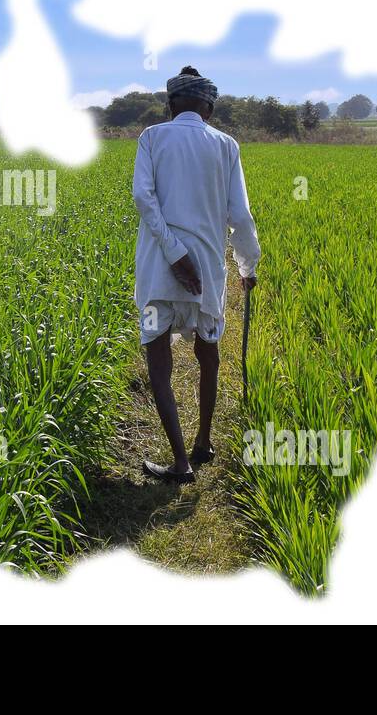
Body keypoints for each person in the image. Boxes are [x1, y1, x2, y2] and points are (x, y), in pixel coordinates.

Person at [132, 65, 261, 483]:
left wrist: (173, 253)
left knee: (158, 355)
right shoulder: (226, 145)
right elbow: (240, 215)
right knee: (208, 352)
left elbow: (143, 198)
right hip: (206, 274)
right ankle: (203, 442)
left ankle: (181, 462)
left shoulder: (152, 137)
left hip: (158, 274)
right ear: (209, 108)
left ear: (170, 105)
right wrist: (247, 266)